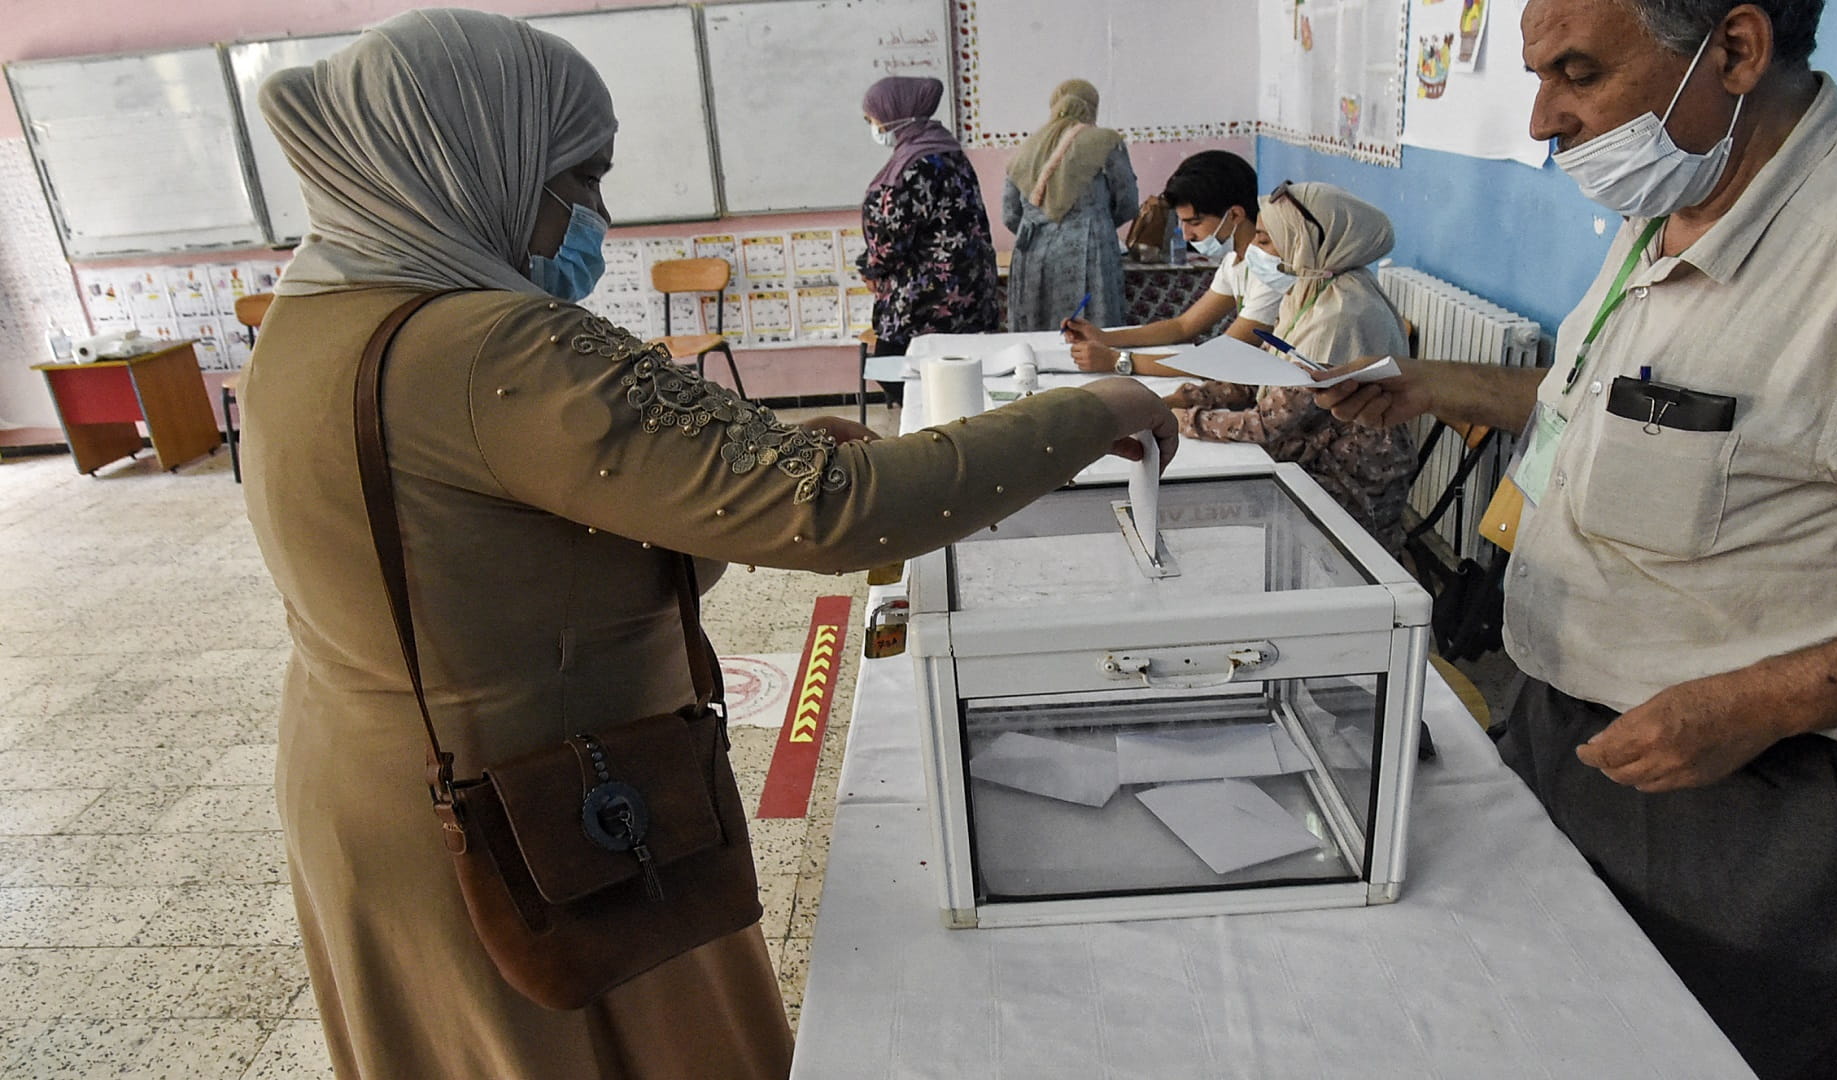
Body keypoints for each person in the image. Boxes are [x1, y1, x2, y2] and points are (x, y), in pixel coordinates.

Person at [241, 12, 1175, 1079]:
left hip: (376, 792)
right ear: (476, 158)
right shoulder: (489, 343)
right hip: (539, 817)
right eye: (577, 177)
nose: (596, 211)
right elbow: (838, 510)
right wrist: (1096, 408)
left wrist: (756, 466)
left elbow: (510, 539)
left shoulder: (317, 314)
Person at [1316, 2, 1837, 1077]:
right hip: (1566, 735)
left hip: (1751, 801)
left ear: (1734, 51)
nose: (1547, 121)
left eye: (1578, 73)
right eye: (1537, 76)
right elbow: (1604, 409)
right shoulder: (1673, 197)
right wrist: (1425, 385)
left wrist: (1760, 703)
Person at [1166, 182, 1415, 552]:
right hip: (1306, 457)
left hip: (1346, 488)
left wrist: (1183, 419)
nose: (1253, 250)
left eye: (1265, 241)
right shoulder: (1309, 290)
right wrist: (1193, 395)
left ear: (1304, 244)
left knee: (1197, 509)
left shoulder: (1343, 314)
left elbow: (1268, 423)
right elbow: (1266, 374)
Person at [1063, 150, 1286, 377]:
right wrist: (1105, 338)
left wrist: (1118, 360)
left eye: (1195, 223)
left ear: (1235, 215)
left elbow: (1222, 359)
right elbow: (1184, 326)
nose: (1187, 235)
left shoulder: (1272, 272)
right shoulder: (1235, 260)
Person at [856, 75, 1000, 404]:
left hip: (927, 302)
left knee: (896, 372)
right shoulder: (947, 152)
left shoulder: (914, 166)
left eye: (873, 117)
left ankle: (935, 442)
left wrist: (871, 267)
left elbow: (891, 240)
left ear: (896, 113)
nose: (873, 125)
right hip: (967, 293)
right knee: (954, 383)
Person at [1003, 79, 1138, 331]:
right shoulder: (1106, 142)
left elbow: (1010, 215)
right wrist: (1099, 222)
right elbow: (1128, 202)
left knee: (1037, 332)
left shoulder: (1027, 148)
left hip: (1032, 255)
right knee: (1092, 331)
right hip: (1091, 251)